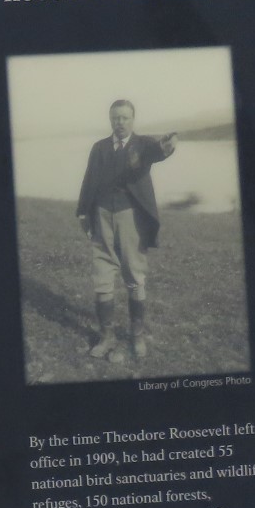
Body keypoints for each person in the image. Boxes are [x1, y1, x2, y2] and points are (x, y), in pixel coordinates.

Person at [74, 100, 177, 362]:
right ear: (110, 119)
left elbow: (157, 151)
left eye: (125, 117)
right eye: (116, 117)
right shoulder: (99, 148)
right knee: (102, 273)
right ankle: (106, 336)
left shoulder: (142, 145)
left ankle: (136, 335)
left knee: (134, 272)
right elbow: (89, 180)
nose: (120, 122)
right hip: (101, 215)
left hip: (130, 216)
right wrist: (83, 211)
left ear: (133, 119)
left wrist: (166, 146)